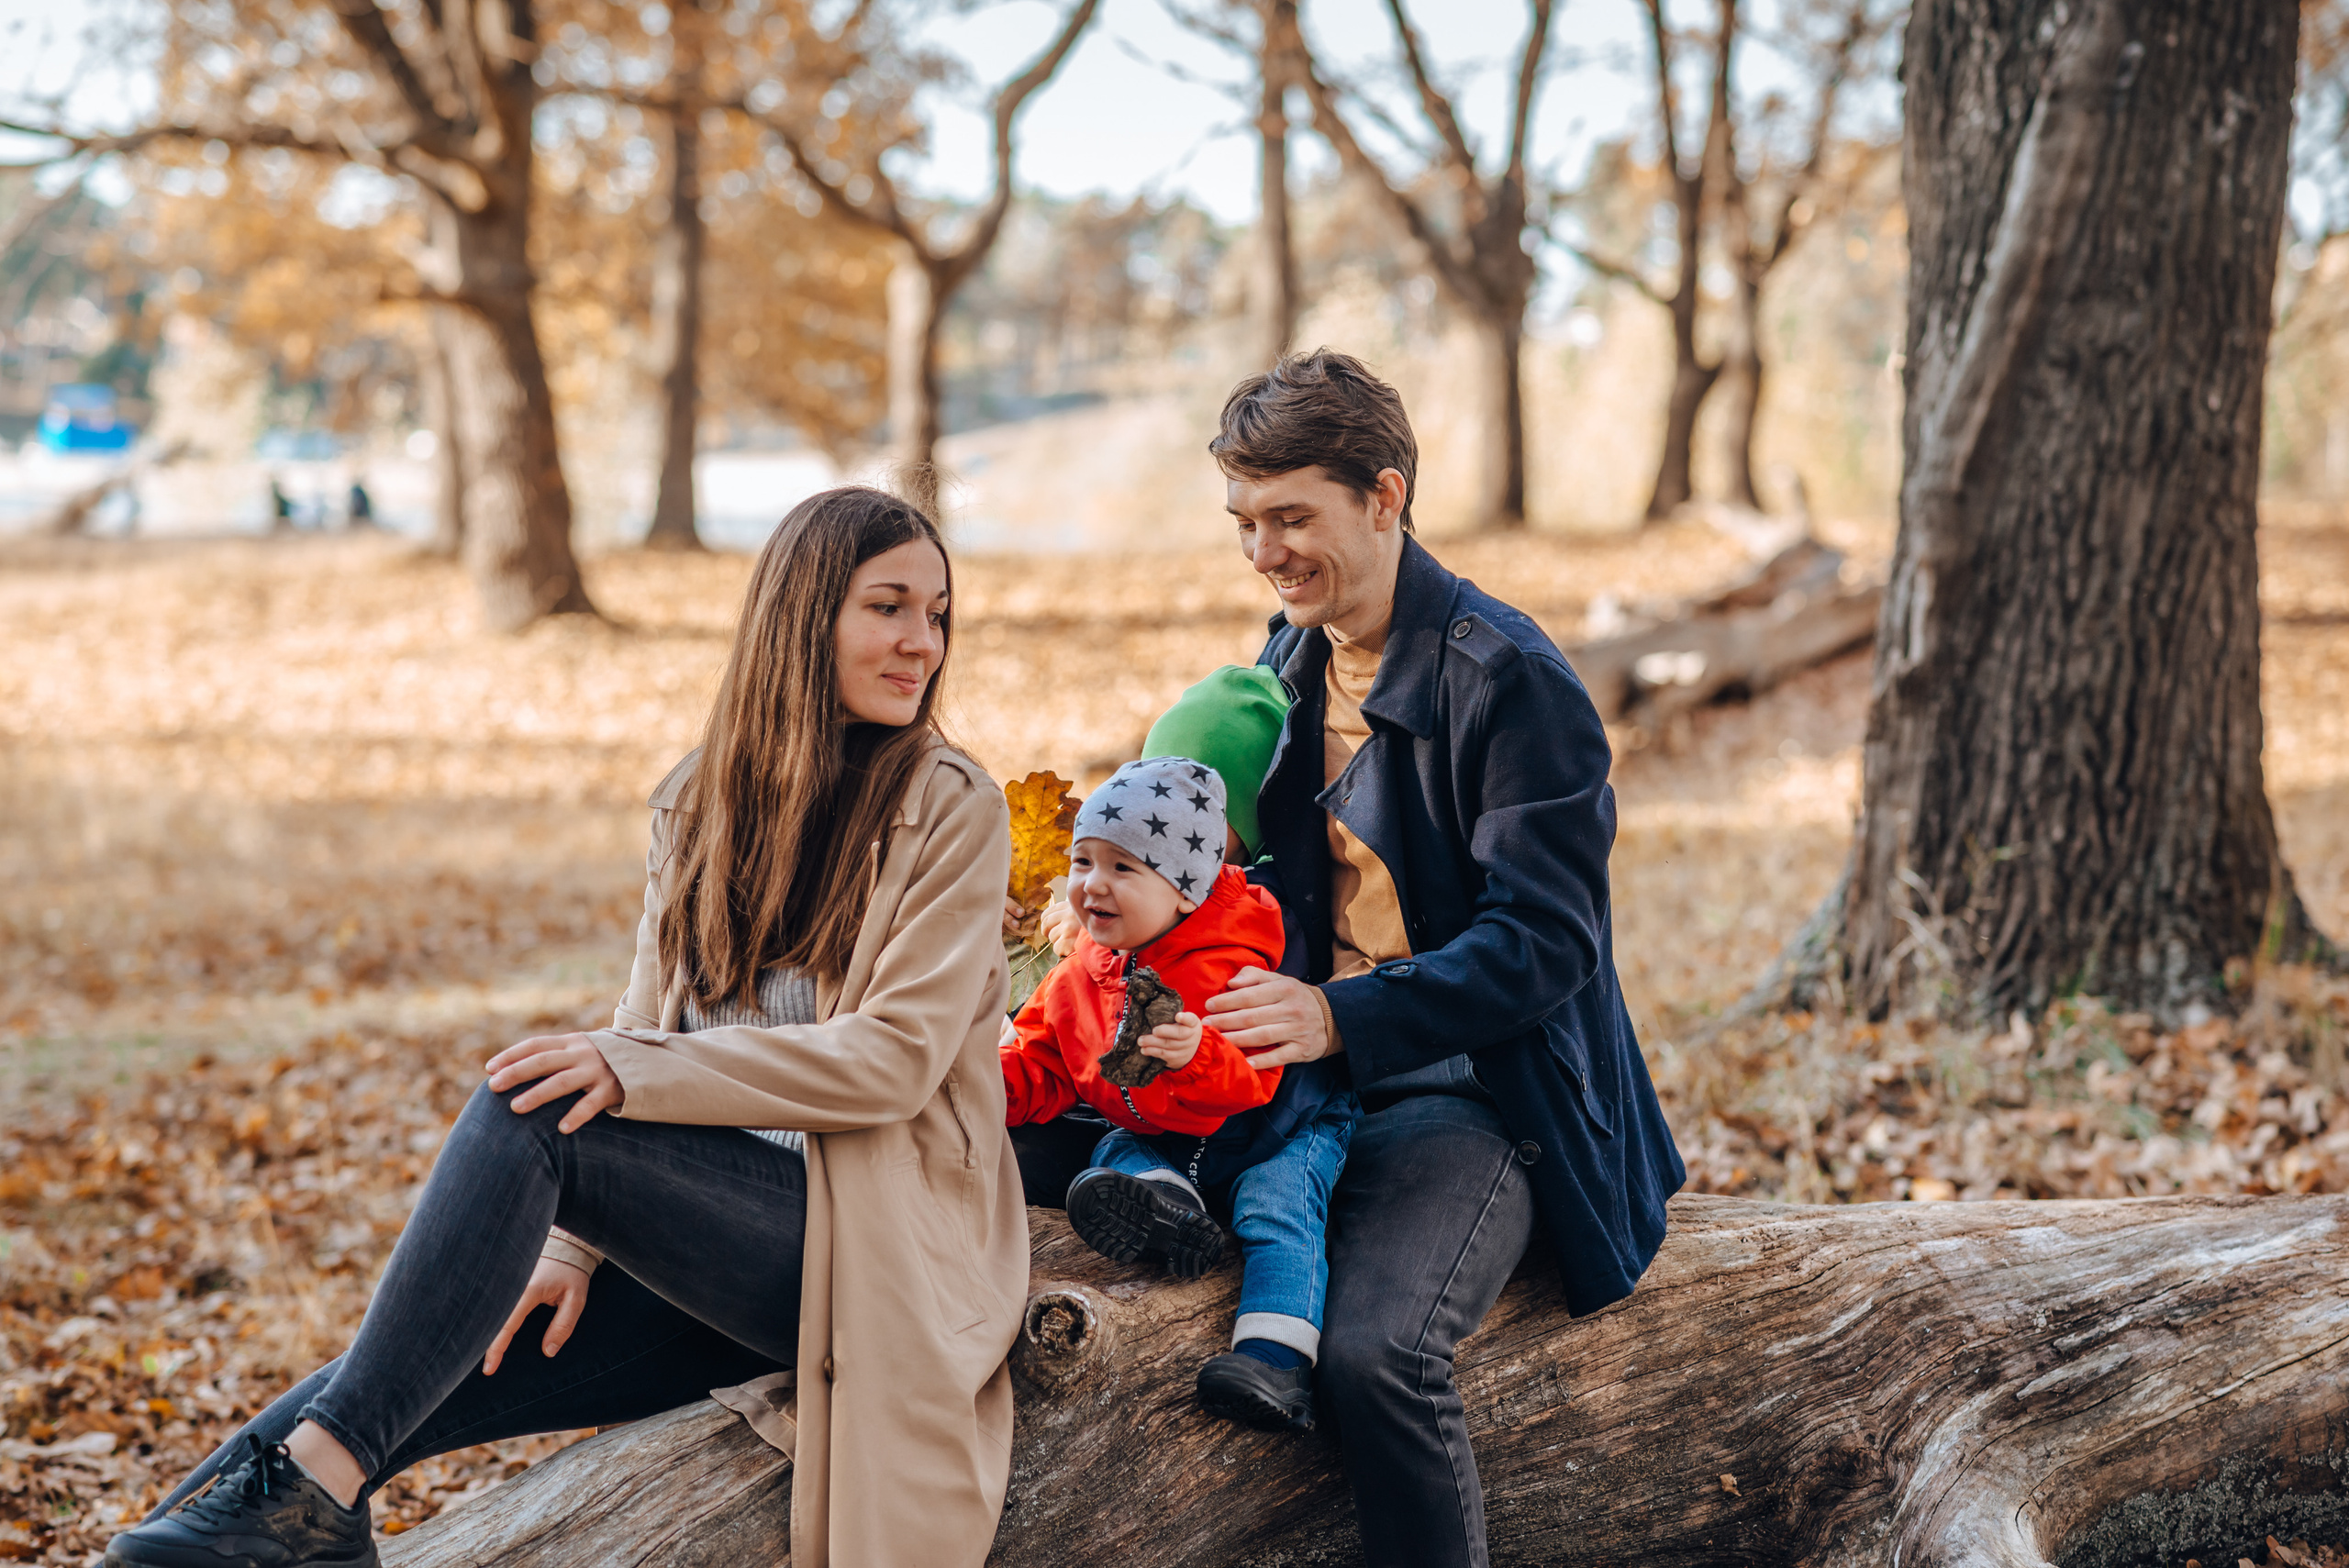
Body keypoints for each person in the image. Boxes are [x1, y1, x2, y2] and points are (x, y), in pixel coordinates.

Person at [105, 486, 1027, 1568]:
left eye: (939, 613)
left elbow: (893, 1060)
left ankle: (313, 1499)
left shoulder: (950, 803)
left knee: (536, 1104)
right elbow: (644, 1020)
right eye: (890, 607)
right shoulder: (699, 799)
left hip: (867, 1247)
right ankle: (263, 1522)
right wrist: (570, 1245)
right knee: (338, 1412)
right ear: (802, 612)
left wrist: (632, 1076)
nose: (922, 641)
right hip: (696, 1255)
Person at [1197, 350, 1687, 1568]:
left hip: (1476, 1090)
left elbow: (1547, 943)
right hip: (1315, 1073)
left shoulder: (1511, 681)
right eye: (1247, 523)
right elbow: (1272, 876)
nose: (1267, 550)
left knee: (1375, 1350)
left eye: (1292, 517)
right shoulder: (1288, 658)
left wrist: (1335, 1019)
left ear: (1386, 495)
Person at [999, 750, 1356, 1432]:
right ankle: (1168, 1206)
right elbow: (1043, 1059)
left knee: (1276, 1209)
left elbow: (1254, 1081)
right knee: (1114, 1148)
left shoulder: (1230, 963)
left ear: (1184, 891)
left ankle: (1276, 1358)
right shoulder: (1085, 967)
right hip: (1166, 1133)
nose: (1092, 886)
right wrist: (987, 1087)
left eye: (1123, 867)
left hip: (1274, 1129)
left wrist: (1197, 1054)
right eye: (1084, 862)